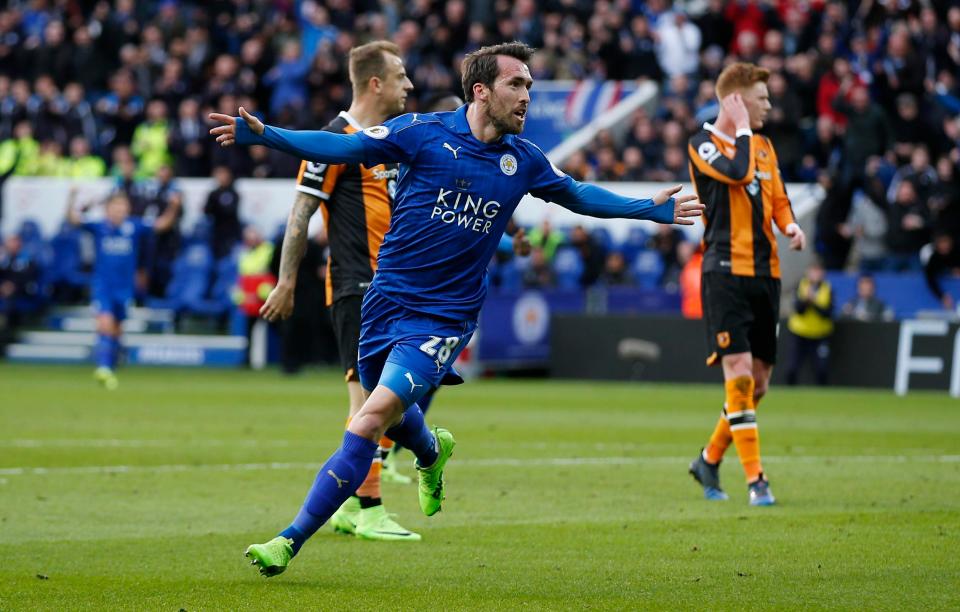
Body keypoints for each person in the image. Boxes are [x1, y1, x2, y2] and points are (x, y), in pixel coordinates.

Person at [211, 41, 702, 577]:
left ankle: (288, 540)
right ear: (481, 90)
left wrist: (648, 210)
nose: (526, 97)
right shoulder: (421, 133)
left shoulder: (524, 161)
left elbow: (578, 195)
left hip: (442, 319)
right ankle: (430, 452)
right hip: (383, 303)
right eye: (517, 85)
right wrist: (266, 135)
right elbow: (341, 149)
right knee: (394, 417)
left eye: (530, 87)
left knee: (369, 417)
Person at [258, 40, 421, 542]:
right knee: (368, 398)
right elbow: (301, 213)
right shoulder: (333, 139)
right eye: (400, 77)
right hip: (357, 287)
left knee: (390, 398)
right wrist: (286, 280)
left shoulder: (389, 139)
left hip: (397, 288)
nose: (409, 86)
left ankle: (358, 500)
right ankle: (365, 506)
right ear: (375, 83)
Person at [686, 62, 806, 506]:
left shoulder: (765, 147)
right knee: (737, 376)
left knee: (757, 385)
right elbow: (737, 172)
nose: (768, 106)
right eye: (761, 99)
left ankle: (709, 458)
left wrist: (791, 226)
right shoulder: (702, 144)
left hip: (766, 274)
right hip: (724, 272)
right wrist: (737, 128)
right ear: (734, 101)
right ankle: (757, 480)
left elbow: (778, 199)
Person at [66, 190, 180, 389]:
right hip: (103, 287)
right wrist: (72, 198)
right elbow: (74, 219)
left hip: (125, 289)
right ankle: (103, 368)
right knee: (105, 324)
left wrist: (174, 207)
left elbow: (162, 225)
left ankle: (112, 365)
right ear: (107, 209)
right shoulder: (98, 226)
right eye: (115, 206)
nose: (119, 210)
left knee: (117, 329)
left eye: (122, 206)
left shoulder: (134, 227)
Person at [786, 262, 834, 386]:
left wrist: (814, 302)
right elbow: (798, 310)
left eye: (818, 271)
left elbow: (827, 313)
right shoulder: (801, 286)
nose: (816, 274)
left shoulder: (827, 288)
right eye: (813, 271)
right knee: (792, 368)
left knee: (821, 369)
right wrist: (807, 300)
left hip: (820, 334)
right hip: (800, 333)